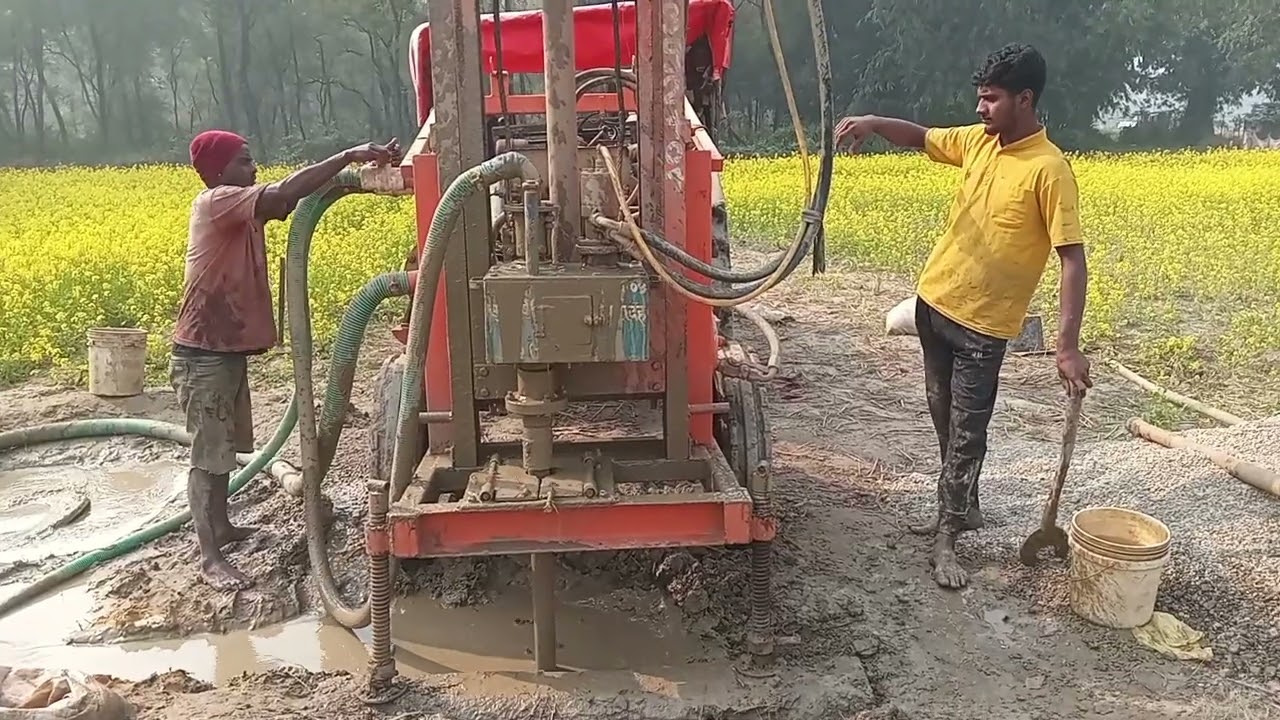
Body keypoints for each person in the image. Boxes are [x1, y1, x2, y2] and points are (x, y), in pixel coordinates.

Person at [834, 44, 1092, 589]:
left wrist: (1067, 346)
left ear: (1025, 99)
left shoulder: (1049, 170)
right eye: (979, 98)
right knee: (943, 419)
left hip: (984, 327)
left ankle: (947, 538)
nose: (981, 109)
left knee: (967, 433)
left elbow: (1073, 259)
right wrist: (875, 123)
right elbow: (922, 138)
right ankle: (963, 508)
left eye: (992, 99)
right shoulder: (978, 142)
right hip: (936, 307)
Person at [173, 130, 401, 591]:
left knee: (226, 450)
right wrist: (348, 155)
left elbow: (281, 202)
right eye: (244, 161)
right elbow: (282, 193)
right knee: (207, 455)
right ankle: (209, 558)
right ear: (220, 172)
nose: (253, 168)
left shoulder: (240, 206)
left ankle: (222, 528)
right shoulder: (216, 201)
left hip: (225, 351)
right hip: (203, 354)